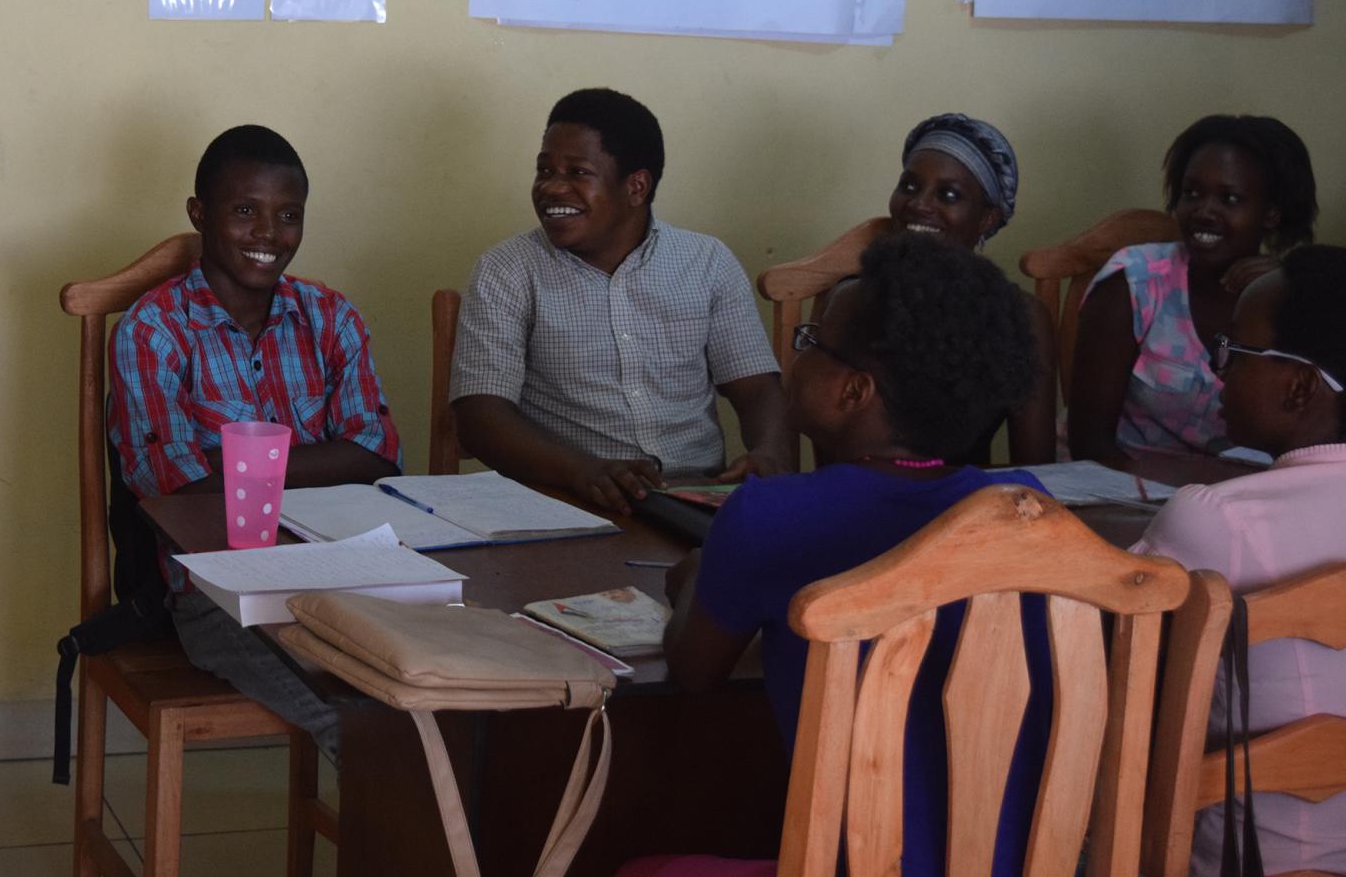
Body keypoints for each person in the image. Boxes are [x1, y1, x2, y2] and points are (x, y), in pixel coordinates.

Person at [639, 234, 1047, 877]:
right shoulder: (1028, 512)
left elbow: (694, 670)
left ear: (854, 391)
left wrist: (694, 574)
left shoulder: (769, 517)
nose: (796, 356)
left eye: (811, 344)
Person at [107, 124, 400, 760]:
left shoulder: (331, 317)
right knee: (358, 724)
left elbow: (376, 453)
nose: (268, 235)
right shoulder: (154, 329)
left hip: (344, 572)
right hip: (218, 593)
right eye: (244, 211)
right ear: (199, 214)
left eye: (288, 216)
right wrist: (325, 460)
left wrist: (234, 464)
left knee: (436, 688)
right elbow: (172, 486)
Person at [451, 89, 791, 514]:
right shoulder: (507, 270)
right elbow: (481, 417)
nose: (552, 187)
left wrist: (769, 454)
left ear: (636, 187)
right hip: (564, 498)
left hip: (695, 496)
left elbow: (758, 388)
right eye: (544, 169)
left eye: (577, 172)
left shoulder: (706, 263)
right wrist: (584, 471)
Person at [1131, 245, 1346, 877]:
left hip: (1254, 862)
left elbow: (1106, 661)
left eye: (1233, 352)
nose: (1215, 369)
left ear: (1301, 385)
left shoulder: (1216, 519)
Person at [1069, 115, 1317, 466]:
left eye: (1229, 198)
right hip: (1127, 492)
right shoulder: (1136, 281)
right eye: (1192, 193)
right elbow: (1090, 443)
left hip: (1245, 497)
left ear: (1271, 214)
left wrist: (1291, 282)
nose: (1203, 211)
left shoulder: (1291, 299)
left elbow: (1316, 440)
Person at [888, 112, 1055, 463]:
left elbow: (1037, 463)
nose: (919, 204)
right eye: (909, 186)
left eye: (948, 195)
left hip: (968, 507)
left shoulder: (1019, 317)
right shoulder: (854, 299)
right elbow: (835, 456)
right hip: (865, 506)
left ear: (987, 219)